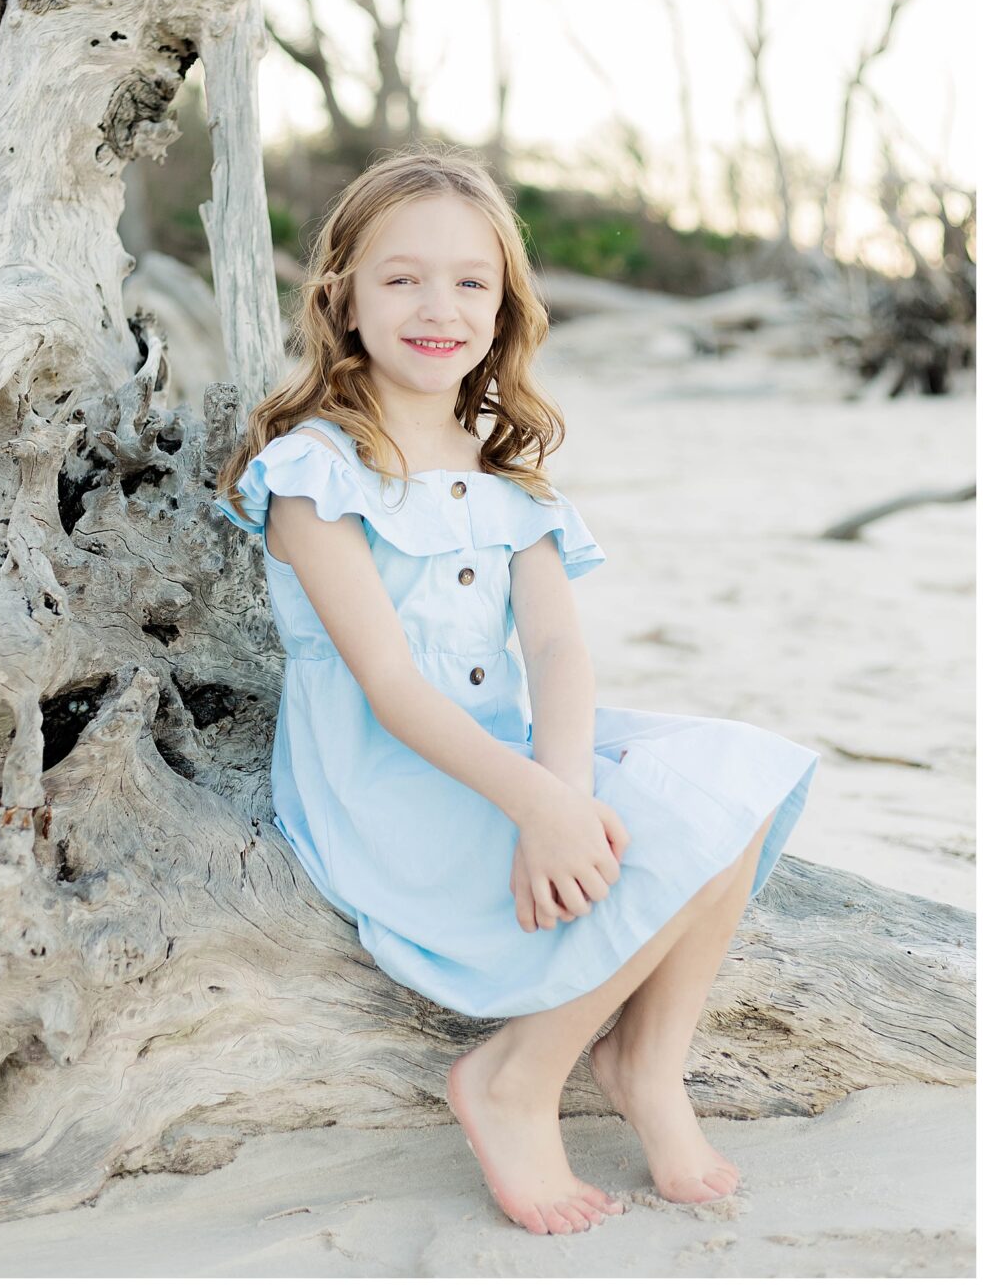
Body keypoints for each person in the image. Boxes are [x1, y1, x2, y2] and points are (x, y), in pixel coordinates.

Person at [214, 145, 820, 1238]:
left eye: (470, 282)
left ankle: (647, 1062)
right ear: (342, 294)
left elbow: (559, 651)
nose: (437, 305)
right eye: (401, 277)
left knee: (744, 781)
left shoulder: (507, 474)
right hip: (390, 775)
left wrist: (566, 782)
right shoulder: (317, 470)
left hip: (509, 743)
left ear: (503, 308)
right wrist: (541, 804)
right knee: (639, 836)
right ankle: (514, 1078)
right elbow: (390, 684)